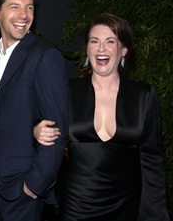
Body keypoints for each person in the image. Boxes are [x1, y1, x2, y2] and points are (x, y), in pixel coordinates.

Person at [34, 13, 170, 220]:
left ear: (123, 50)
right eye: (94, 41)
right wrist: (36, 129)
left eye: (110, 42)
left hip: (127, 205)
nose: (101, 48)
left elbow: (152, 161)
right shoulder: (67, 91)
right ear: (87, 49)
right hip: (77, 205)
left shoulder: (143, 95)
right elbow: (36, 120)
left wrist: (155, 214)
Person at [0, 0, 69, 221]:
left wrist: (35, 185)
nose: (24, 14)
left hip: (21, 191)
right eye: (15, 7)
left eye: (29, 7)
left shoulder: (44, 57)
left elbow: (57, 130)